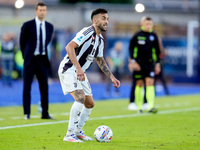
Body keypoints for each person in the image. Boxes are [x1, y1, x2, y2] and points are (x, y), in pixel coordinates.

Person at [58, 8, 120, 142]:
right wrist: (78, 68)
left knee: (90, 103)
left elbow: (100, 60)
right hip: (69, 69)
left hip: (80, 71)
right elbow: (69, 47)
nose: (106, 21)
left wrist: (111, 77)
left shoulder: (101, 39)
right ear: (95, 20)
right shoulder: (87, 32)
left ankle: (78, 131)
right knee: (80, 97)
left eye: (107, 19)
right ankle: (69, 135)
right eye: (104, 18)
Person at [19, 2, 54, 120]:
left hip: (42, 60)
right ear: (36, 11)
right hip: (30, 60)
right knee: (27, 87)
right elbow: (22, 43)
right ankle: (26, 113)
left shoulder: (49, 26)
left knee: (44, 88)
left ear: (46, 11)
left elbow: (47, 42)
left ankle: (45, 113)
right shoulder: (27, 25)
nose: (42, 12)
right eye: (40, 10)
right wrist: (26, 56)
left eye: (44, 10)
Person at [128, 16, 161, 113]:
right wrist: (133, 62)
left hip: (150, 64)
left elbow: (157, 51)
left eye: (150, 24)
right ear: (142, 24)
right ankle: (139, 108)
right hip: (138, 64)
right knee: (139, 84)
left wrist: (157, 64)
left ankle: (151, 106)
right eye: (147, 24)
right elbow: (131, 49)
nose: (149, 26)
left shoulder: (154, 36)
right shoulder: (137, 35)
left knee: (150, 82)